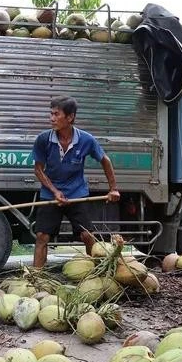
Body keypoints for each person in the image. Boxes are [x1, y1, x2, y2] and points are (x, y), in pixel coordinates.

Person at [31, 95, 120, 267]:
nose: (51, 118)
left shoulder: (86, 139)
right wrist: (55, 192)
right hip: (51, 194)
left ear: (70, 117)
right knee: (42, 236)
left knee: (87, 235)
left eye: (56, 114)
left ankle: (98, 272)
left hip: (77, 194)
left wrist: (113, 189)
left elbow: (105, 160)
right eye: (51, 114)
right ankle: (36, 278)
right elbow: (38, 170)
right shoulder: (43, 139)